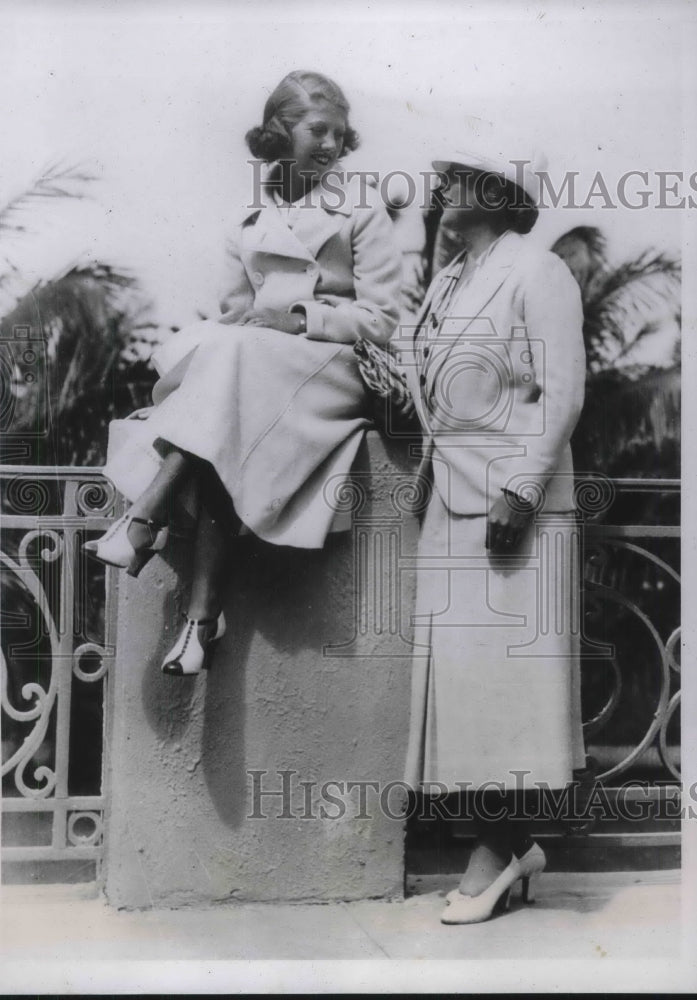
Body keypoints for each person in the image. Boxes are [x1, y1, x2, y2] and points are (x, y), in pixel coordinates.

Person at [86, 71, 401, 675]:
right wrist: (258, 328)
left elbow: (383, 319)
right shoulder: (247, 221)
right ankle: (203, 619)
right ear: (279, 133)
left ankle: (146, 514)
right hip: (260, 371)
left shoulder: (361, 210)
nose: (331, 145)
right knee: (225, 385)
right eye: (317, 130)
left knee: (233, 368)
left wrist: (300, 317)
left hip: (335, 365)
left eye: (339, 133)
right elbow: (233, 316)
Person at [401, 140, 587, 923]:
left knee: (507, 692)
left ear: (496, 192)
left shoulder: (536, 269)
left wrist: (520, 487)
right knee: (468, 693)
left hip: (514, 510)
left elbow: (563, 388)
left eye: (455, 177)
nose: (439, 186)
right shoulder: (447, 279)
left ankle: (499, 853)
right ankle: (509, 849)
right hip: (451, 503)